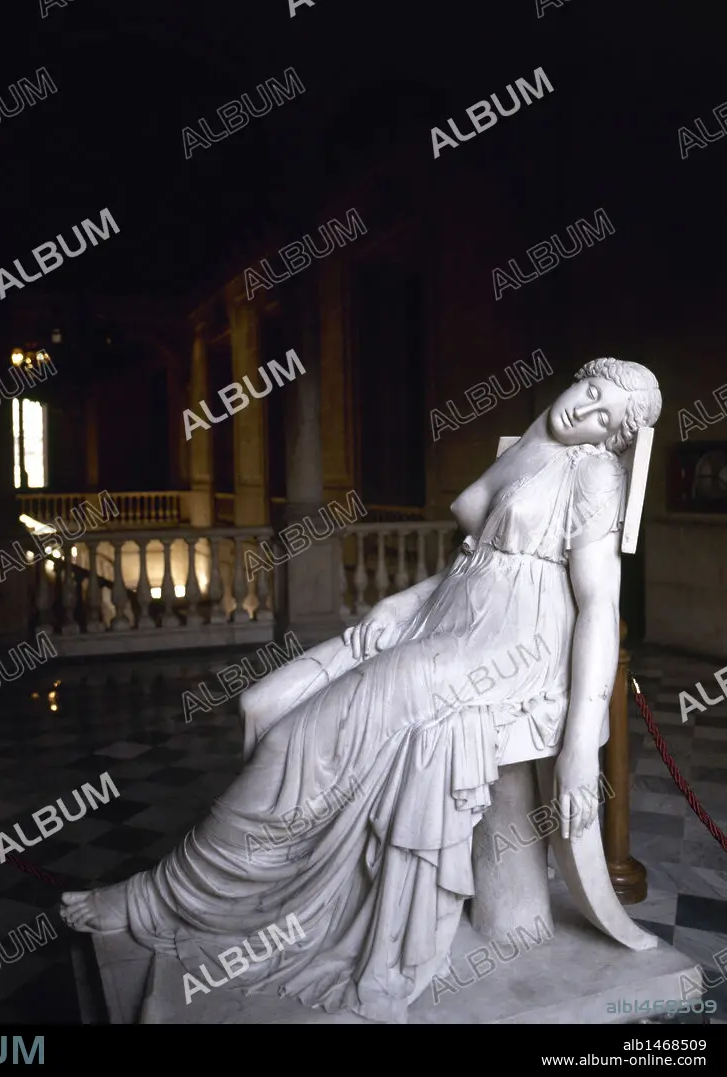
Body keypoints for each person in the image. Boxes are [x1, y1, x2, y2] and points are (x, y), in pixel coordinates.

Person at [61, 357, 662, 1024]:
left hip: (508, 644)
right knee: (264, 703)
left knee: (295, 740)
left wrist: (578, 747)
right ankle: (272, 888)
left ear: (613, 439)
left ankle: (166, 897)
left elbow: (599, 604)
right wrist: (401, 603)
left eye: (607, 419)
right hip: (445, 612)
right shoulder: (528, 445)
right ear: (581, 376)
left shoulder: (594, 473)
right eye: (593, 391)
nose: (588, 412)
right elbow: (474, 560)